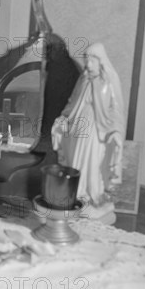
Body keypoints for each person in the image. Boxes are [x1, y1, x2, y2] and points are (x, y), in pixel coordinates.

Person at [51, 43, 124, 207]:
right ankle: (76, 193)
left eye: (92, 61)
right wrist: (64, 118)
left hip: (97, 129)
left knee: (91, 161)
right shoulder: (83, 80)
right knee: (75, 159)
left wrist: (115, 131)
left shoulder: (109, 81)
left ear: (101, 62)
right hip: (78, 125)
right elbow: (72, 102)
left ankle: (91, 196)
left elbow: (116, 110)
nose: (88, 65)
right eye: (86, 61)